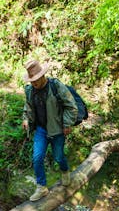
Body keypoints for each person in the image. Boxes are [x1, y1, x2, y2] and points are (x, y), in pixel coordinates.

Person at [22, 59, 78, 201]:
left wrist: (67, 124)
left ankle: (65, 171)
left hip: (57, 129)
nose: (33, 83)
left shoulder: (56, 86)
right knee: (37, 157)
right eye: (31, 80)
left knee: (58, 157)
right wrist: (25, 119)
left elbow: (71, 106)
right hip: (41, 129)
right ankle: (41, 187)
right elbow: (27, 107)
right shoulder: (30, 91)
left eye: (35, 80)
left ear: (42, 76)